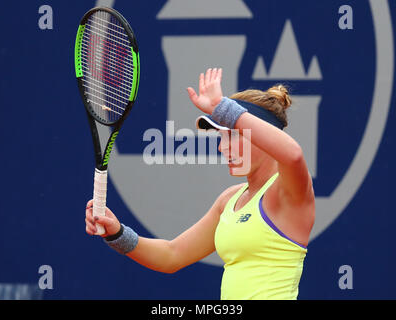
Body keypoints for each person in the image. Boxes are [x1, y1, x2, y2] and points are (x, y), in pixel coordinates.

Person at [85, 68, 315, 300]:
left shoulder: (288, 193)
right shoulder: (229, 200)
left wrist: (224, 107)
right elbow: (171, 255)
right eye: (221, 137)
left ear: (262, 135)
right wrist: (118, 233)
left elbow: (293, 155)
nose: (222, 147)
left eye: (233, 135)